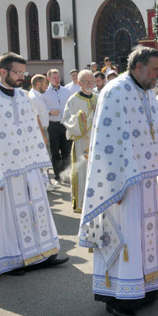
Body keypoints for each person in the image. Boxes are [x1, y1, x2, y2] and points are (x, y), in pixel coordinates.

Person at [79, 46, 158, 316]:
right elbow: (107, 143)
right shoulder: (115, 92)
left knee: (146, 234)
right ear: (138, 67)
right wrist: (114, 184)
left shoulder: (147, 93)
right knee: (125, 235)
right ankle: (118, 297)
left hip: (146, 180)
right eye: (154, 69)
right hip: (121, 184)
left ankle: (147, 286)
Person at [0, 53, 68, 279]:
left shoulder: (22, 97)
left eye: (23, 73)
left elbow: (32, 131)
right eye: (17, 73)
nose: (21, 77)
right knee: (6, 218)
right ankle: (10, 261)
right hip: (3, 172)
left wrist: (40, 165)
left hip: (28, 168)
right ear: (2, 72)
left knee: (36, 211)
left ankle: (43, 254)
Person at [62, 70, 98, 212]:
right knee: (82, 172)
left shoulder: (98, 98)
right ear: (79, 83)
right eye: (86, 82)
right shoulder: (73, 100)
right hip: (81, 142)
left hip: (97, 142)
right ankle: (82, 203)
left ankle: (97, 200)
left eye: (92, 82)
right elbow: (66, 120)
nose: (89, 84)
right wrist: (79, 119)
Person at [41, 69, 72, 183]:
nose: (57, 80)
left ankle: (66, 174)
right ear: (48, 79)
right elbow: (41, 109)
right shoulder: (44, 92)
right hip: (52, 125)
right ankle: (58, 175)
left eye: (58, 77)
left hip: (65, 123)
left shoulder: (66, 91)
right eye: (54, 78)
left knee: (66, 150)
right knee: (55, 151)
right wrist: (49, 111)